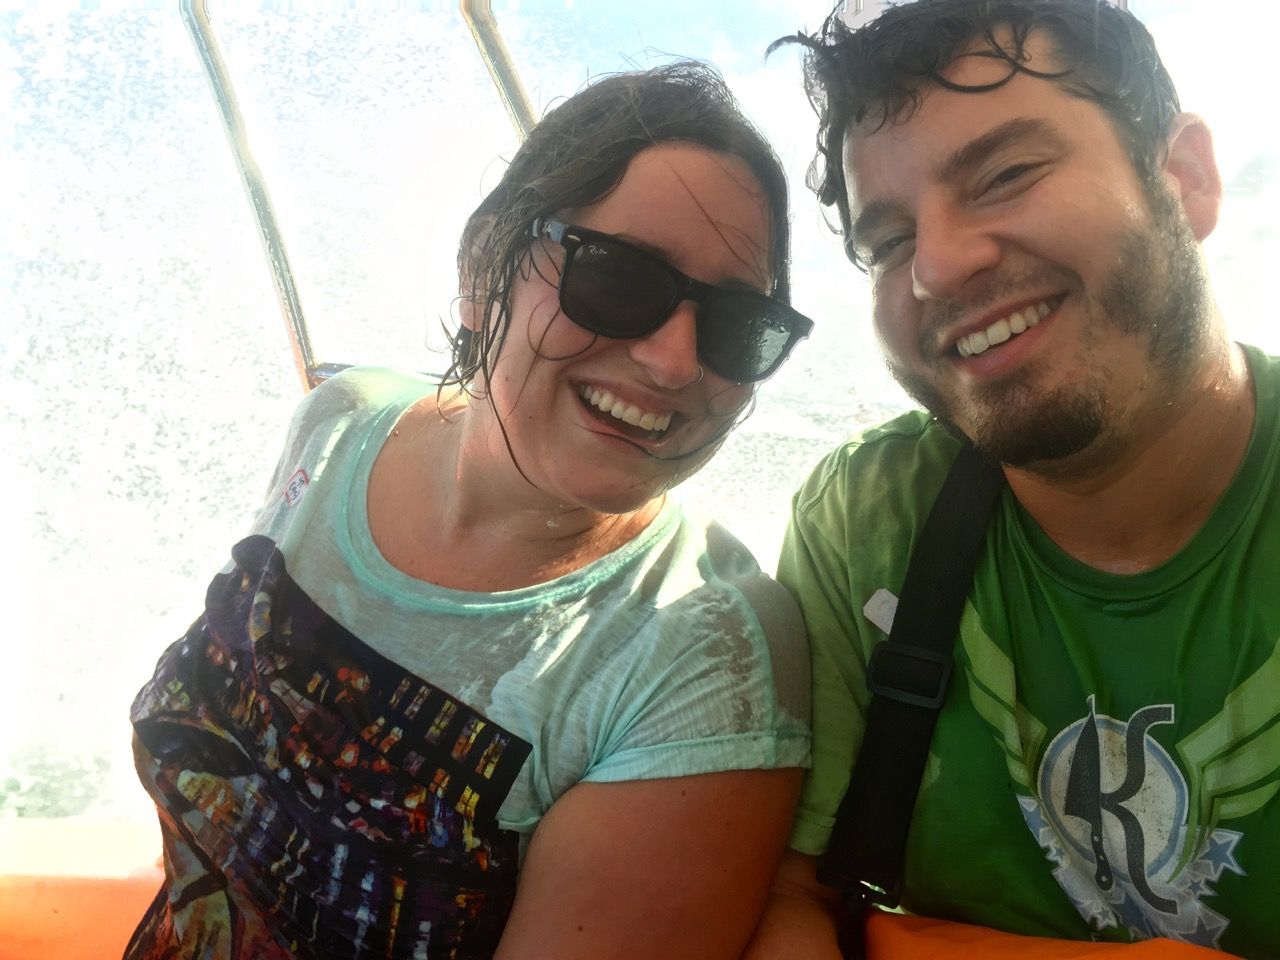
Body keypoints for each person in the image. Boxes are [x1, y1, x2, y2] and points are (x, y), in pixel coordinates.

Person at [125, 61, 815, 960]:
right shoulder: (339, 426)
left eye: (736, 324)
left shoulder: (697, 663)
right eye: (617, 279)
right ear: (486, 268)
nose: (676, 362)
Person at [747, 1, 1279, 958]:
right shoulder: (867, 524)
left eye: (1006, 175)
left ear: (1185, 177)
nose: (939, 270)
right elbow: (787, 899)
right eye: (890, 242)